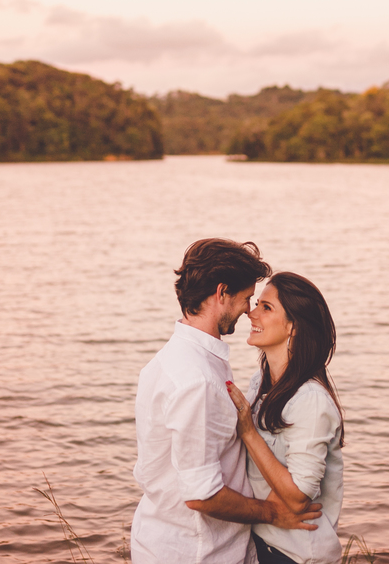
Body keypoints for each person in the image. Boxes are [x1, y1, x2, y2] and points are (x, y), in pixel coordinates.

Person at [132, 239, 322, 564]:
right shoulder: (197, 379)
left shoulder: (172, 360)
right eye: (247, 298)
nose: (249, 310)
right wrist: (273, 513)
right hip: (198, 552)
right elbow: (201, 495)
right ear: (222, 293)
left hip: (169, 538)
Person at [225, 272, 345, 564]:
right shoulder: (260, 383)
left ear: (294, 327)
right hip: (262, 544)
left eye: (266, 308)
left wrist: (248, 432)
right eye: (256, 304)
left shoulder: (311, 400)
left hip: (297, 554)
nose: (251, 313)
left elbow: (297, 497)